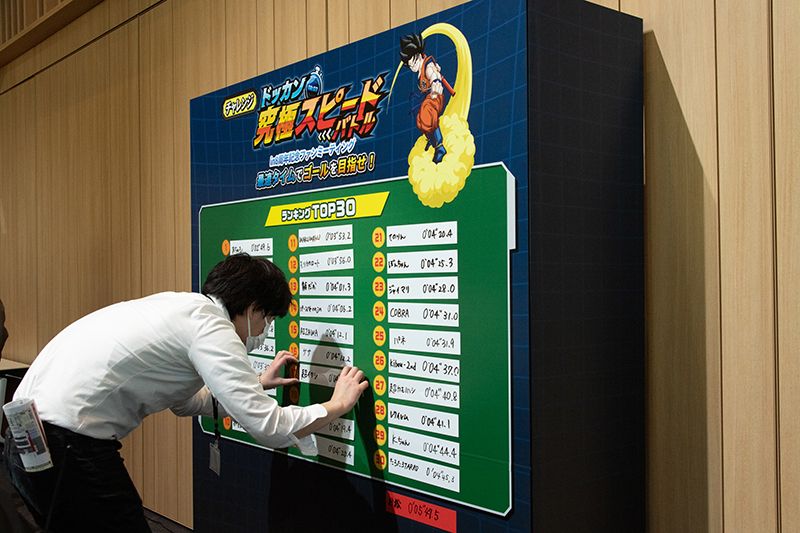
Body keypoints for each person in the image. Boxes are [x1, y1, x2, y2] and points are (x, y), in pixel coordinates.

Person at [4, 253, 369, 532]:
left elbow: (183, 401)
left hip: (25, 434)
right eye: (267, 319)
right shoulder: (212, 328)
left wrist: (254, 384)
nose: (264, 330)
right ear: (252, 308)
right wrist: (337, 404)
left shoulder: (183, 308)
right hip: (67, 443)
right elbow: (269, 427)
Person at [399, 32, 455, 164]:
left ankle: (440, 147)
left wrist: (436, 84)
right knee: (417, 114)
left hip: (435, 96)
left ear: (417, 55)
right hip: (426, 97)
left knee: (426, 113)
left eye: (412, 62)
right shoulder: (419, 68)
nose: (412, 67)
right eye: (409, 65)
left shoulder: (428, 65)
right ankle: (432, 139)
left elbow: (434, 75)